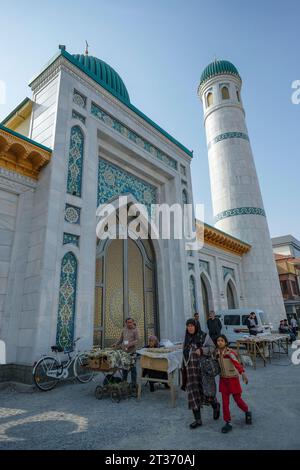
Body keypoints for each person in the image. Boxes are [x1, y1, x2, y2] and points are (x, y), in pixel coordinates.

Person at [183, 318, 220, 429]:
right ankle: (198, 420)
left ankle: (216, 405)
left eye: (192, 325)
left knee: (207, 393)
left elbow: (213, 348)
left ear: (196, 326)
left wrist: (202, 350)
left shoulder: (204, 336)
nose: (190, 328)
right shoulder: (186, 338)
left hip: (203, 370)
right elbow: (183, 355)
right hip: (191, 371)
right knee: (193, 394)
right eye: (188, 326)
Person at [215, 334, 252, 433]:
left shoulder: (230, 353)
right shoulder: (216, 353)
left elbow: (237, 364)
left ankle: (247, 411)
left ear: (226, 342)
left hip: (233, 380)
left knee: (238, 400)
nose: (219, 342)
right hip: (223, 380)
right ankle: (228, 422)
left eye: (222, 340)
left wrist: (243, 373)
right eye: (218, 340)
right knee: (225, 403)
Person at [113, 317, 139, 387]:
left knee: (133, 368)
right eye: (128, 322)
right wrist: (116, 344)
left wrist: (130, 344)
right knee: (124, 368)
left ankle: (134, 384)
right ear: (126, 323)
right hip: (125, 352)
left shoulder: (135, 330)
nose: (129, 324)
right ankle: (124, 382)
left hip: (132, 352)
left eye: (130, 322)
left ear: (133, 322)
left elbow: (137, 340)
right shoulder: (124, 329)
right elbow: (121, 339)